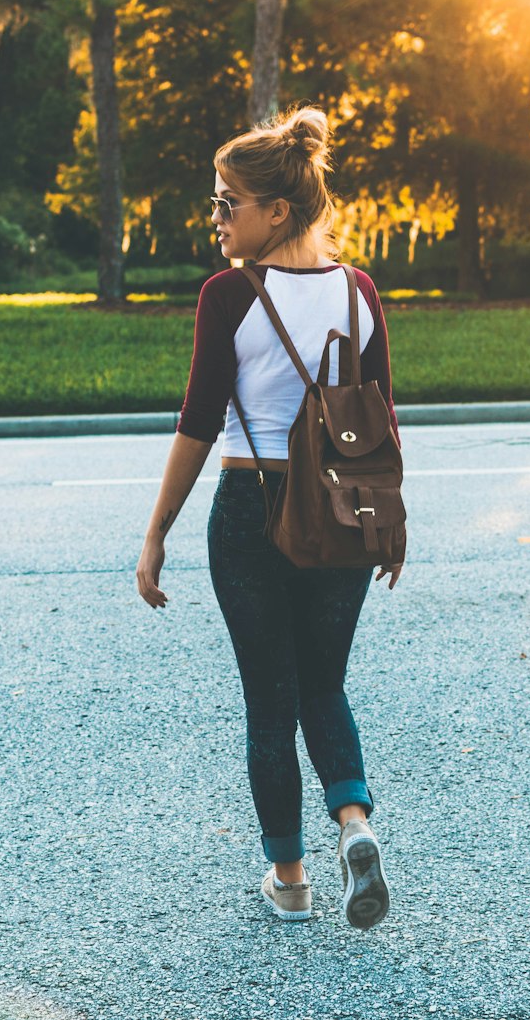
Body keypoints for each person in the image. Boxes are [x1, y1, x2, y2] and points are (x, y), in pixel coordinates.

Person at [136, 105, 403, 929]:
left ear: (275, 211)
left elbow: (198, 422)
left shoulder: (228, 297)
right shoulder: (359, 293)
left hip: (252, 512)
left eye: (227, 203)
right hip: (345, 512)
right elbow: (380, 419)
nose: (215, 218)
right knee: (325, 684)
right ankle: (353, 823)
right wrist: (388, 524)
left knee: (270, 700)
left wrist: (157, 532)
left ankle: (290, 880)